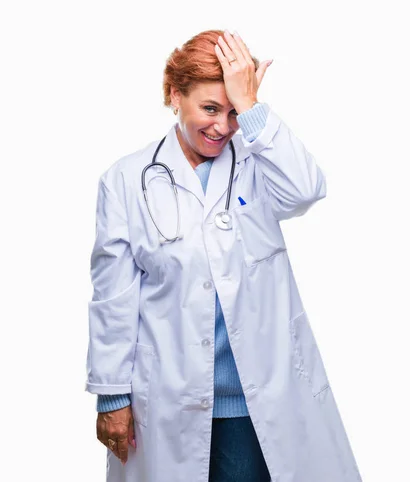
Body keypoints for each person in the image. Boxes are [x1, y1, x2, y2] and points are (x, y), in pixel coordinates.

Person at [85, 29, 362, 482]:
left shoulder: (260, 162)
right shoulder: (125, 180)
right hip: (168, 398)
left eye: (233, 112)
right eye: (209, 109)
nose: (222, 127)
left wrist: (252, 109)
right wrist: (112, 396)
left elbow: (306, 189)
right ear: (175, 95)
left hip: (252, 402)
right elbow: (113, 299)